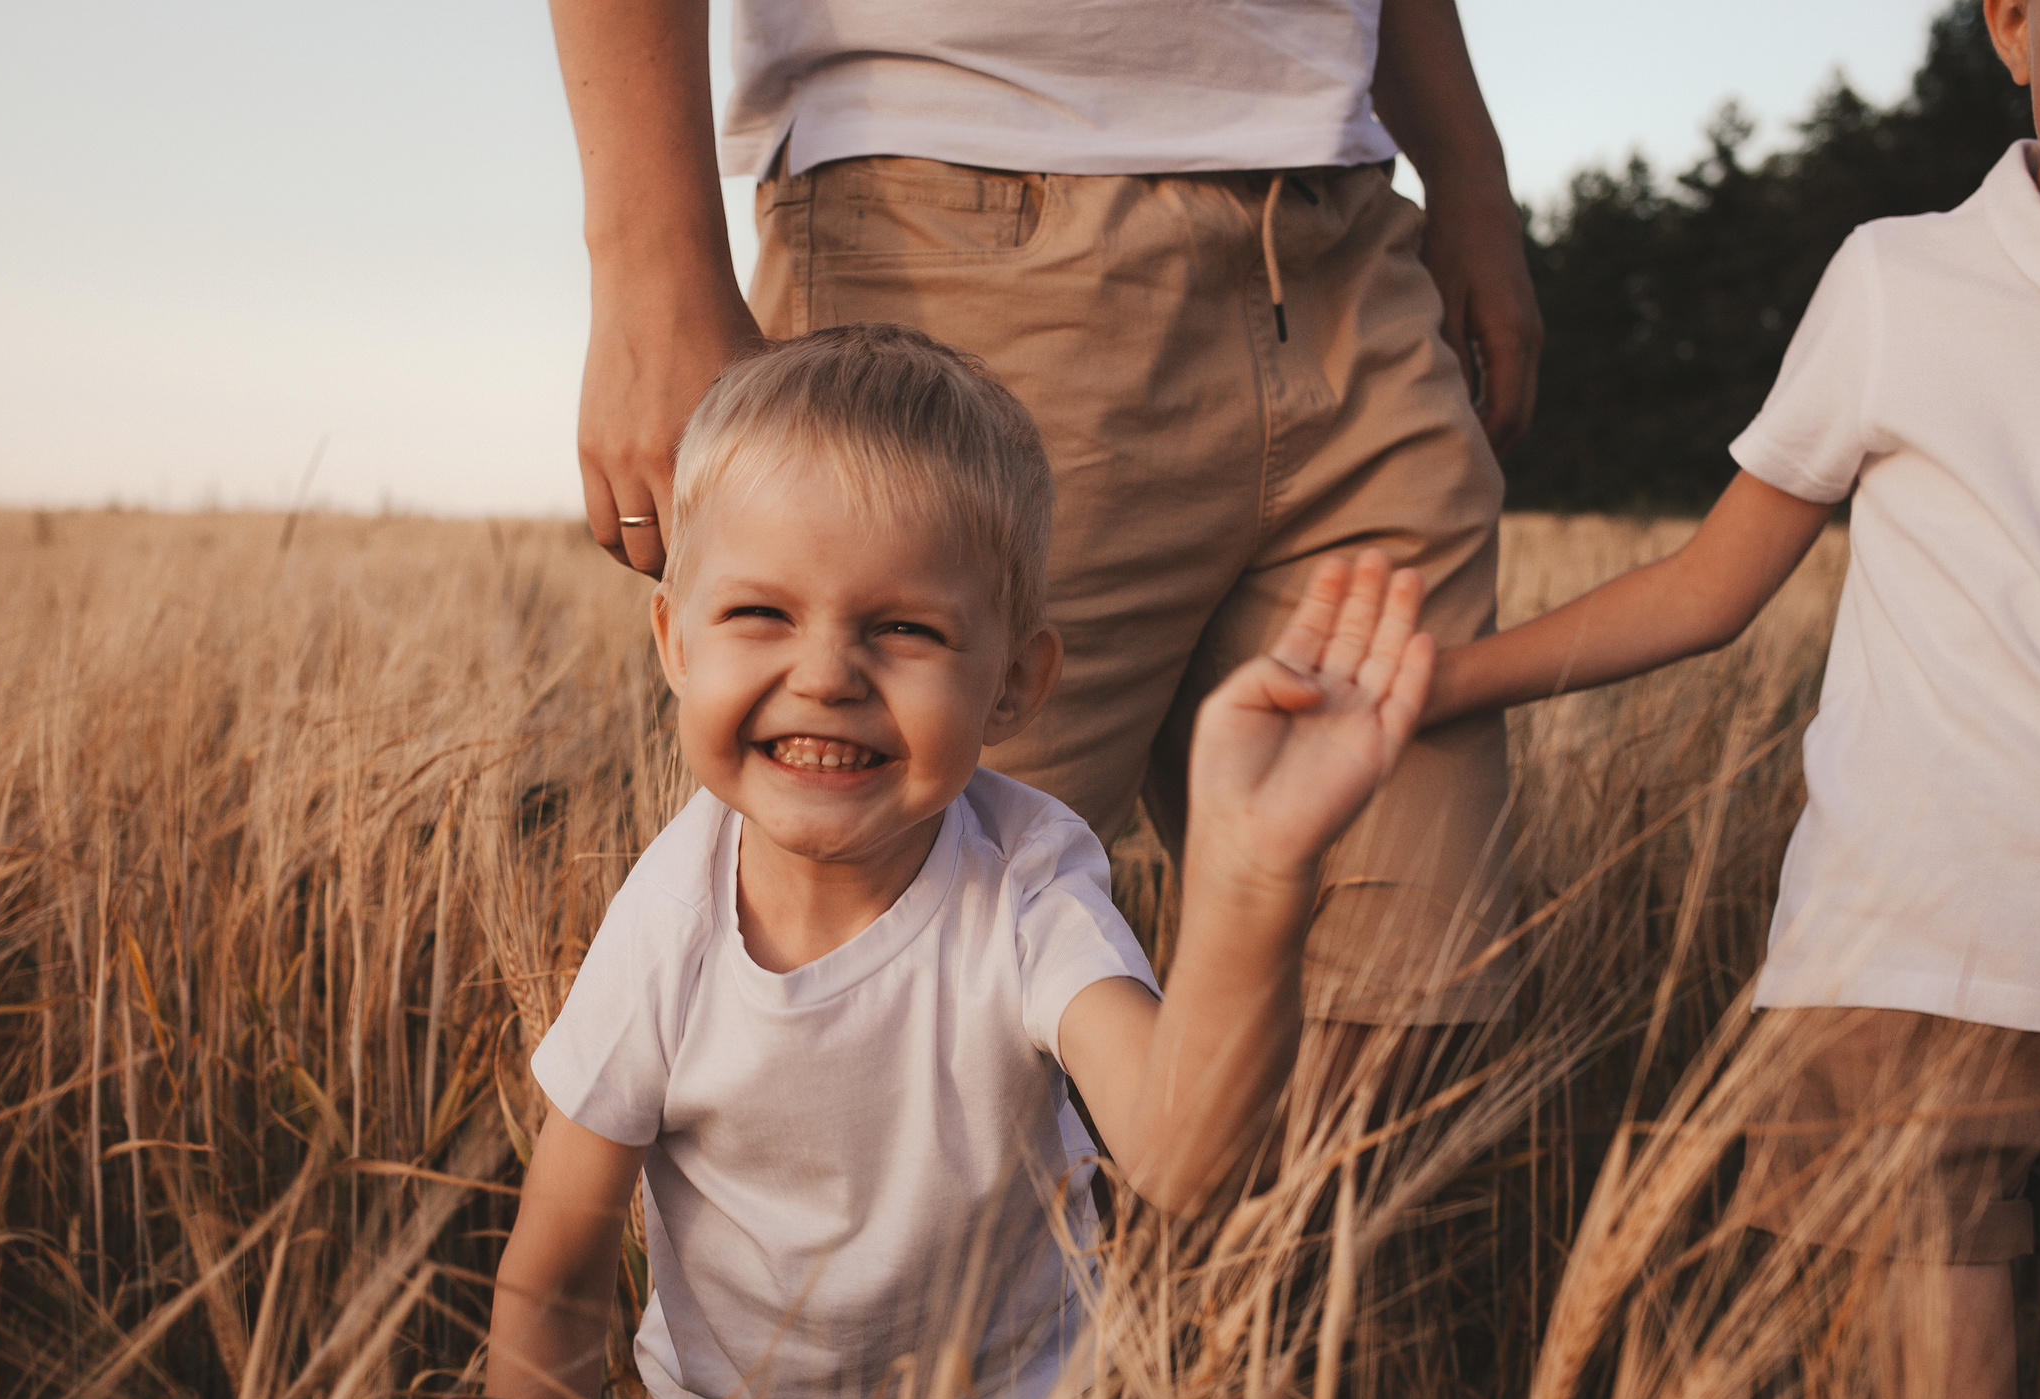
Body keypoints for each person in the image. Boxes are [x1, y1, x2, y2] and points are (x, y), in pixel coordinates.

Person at [483, 324, 1439, 1399]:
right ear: (672, 640)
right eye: (762, 613)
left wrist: (1254, 875)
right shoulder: (670, 920)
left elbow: (1180, 1153)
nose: (827, 670)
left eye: (906, 628)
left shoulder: (1027, 876)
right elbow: (551, 1275)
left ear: (1016, 683)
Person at [1418, 1, 2040, 1399]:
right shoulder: (1903, 284)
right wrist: (1441, 685)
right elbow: (1706, 585)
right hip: (1900, 992)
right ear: (2016, 26)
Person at [546, 0, 1539, 1043]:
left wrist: (1471, 176)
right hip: (945, 213)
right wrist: (646, 260)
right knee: (897, 1035)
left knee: (1407, 1019)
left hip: (1355, 241)